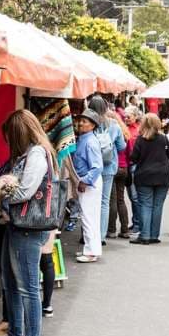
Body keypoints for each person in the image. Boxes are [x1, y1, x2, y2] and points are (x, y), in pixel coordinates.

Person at [0, 109, 59, 336]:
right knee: (11, 283)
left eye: (10, 137)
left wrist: (2, 195)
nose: (8, 143)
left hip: (27, 228)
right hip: (17, 227)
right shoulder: (32, 153)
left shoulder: (37, 154)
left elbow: (25, 191)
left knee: (27, 288)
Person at [129, 113, 169, 245]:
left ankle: (145, 236)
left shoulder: (140, 140)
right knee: (157, 206)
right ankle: (154, 235)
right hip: (163, 175)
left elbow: (134, 158)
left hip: (145, 175)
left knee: (145, 205)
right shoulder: (163, 138)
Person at [88, 96, 126, 247]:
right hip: (109, 167)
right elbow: (122, 146)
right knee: (104, 202)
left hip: (90, 167)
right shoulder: (114, 124)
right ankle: (101, 236)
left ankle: (89, 235)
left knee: (90, 202)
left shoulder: (88, 123)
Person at [72, 109, 104, 263]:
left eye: (84, 121)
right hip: (89, 181)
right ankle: (92, 249)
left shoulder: (90, 141)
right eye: (80, 120)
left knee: (88, 217)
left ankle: (91, 252)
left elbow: (97, 167)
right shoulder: (85, 138)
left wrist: (85, 181)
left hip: (89, 183)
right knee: (90, 217)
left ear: (92, 125)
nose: (80, 123)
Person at [107, 109, 133, 239]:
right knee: (121, 200)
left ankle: (111, 230)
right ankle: (125, 229)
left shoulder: (107, 133)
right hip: (123, 168)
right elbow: (129, 153)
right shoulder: (124, 133)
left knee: (112, 200)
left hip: (112, 167)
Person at [123, 106, 143, 237]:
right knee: (132, 196)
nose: (126, 118)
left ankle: (137, 224)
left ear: (136, 116)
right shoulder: (128, 129)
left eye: (129, 116)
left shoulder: (136, 131)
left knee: (135, 197)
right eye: (125, 115)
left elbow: (132, 151)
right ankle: (136, 222)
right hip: (129, 165)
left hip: (133, 165)